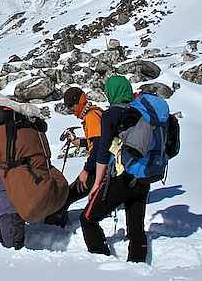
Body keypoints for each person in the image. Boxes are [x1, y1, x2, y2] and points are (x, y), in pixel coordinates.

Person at [80, 75, 150, 263]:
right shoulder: (140, 111)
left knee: (87, 219)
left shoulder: (110, 114)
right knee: (136, 228)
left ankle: (102, 263)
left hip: (121, 179)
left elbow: (102, 152)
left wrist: (96, 184)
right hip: (143, 176)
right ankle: (138, 267)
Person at [45, 87, 103, 227]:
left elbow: (98, 148)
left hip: (97, 167)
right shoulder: (94, 113)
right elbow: (96, 140)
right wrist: (79, 142)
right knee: (72, 193)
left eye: (71, 106)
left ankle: (55, 224)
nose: (71, 110)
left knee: (70, 194)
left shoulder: (91, 117)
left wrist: (86, 171)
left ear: (78, 102)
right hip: (101, 165)